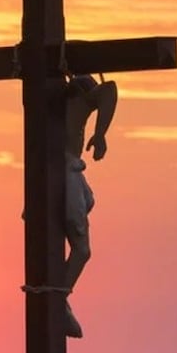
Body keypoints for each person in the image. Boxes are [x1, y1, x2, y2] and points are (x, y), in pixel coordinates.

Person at [63, 73, 117, 338]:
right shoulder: (78, 88)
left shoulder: (52, 92)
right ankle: (57, 300)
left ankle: (57, 297)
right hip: (63, 170)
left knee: (87, 204)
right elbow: (109, 90)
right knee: (82, 249)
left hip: (60, 169)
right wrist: (100, 134)